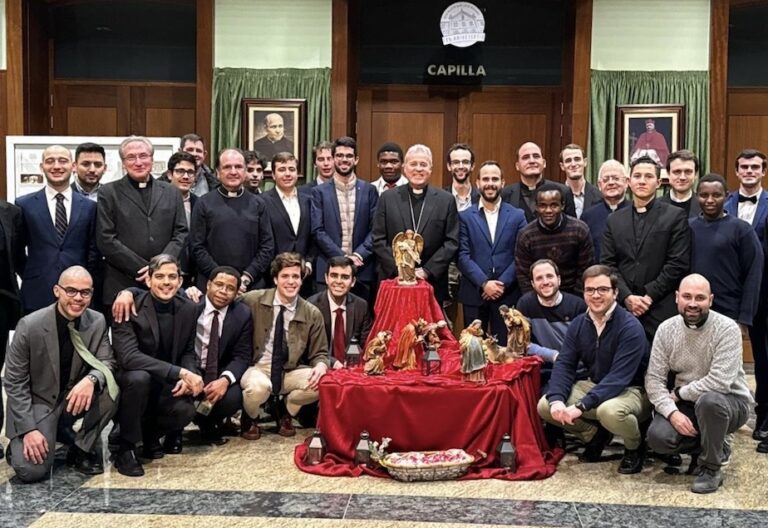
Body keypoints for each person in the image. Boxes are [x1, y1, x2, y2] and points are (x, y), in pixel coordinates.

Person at [112, 265, 253, 446]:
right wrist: (126, 292)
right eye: (219, 285)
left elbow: (242, 356)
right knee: (174, 399)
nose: (223, 291)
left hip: (215, 372)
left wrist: (225, 380)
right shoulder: (190, 301)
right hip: (184, 367)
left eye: (230, 288)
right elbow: (157, 289)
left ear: (237, 293)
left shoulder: (242, 313)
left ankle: (206, 422)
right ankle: (164, 432)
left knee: (233, 397)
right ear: (208, 285)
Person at [4, 266, 118, 482]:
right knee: (31, 471)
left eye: (85, 292)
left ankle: (81, 447)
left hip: (72, 399)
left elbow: (107, 361)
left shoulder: (97, 321)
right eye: (71, 291)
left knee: (111, 388)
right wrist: (28, 430)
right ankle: (21, 440)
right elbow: (14, 382)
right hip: (38, 402)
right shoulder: (30, 325)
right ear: (57, 291)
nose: (78, 298)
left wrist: (91, 379)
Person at [538, 265, 652, 474]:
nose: (596, 295)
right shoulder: (579, 324)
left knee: (609, 412)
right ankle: (595, 435)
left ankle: (635, 447)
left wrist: (581, 406)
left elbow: (619, 378)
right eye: (590, 290)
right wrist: (557, 400)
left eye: (603, 289)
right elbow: (565, 364)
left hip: (632, 390)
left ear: (615, 293)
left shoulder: (630, 327)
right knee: (546, 405)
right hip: (596, 385)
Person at [645, 274, 752, 493]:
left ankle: (711, 468)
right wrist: (672, 413)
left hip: (729, 402)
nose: (693, 303)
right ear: (677, 298)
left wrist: (679, 393)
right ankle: (712, 445)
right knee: (658, 438)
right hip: (688, 402)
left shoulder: (727, 329)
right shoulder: (666, 329)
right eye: (687, 296)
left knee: (709, 402)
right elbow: (653, 379)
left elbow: (719, 382)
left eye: (700, 298)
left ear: (710, 300)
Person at [111, 254, 203, 477]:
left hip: (165, 384)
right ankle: (126, 447)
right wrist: (178, 372)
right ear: (148, 279)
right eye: (160, 276)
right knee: (139, 378)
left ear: (180, 281)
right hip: (132, 384)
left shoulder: (189, 309)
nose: (166, 282)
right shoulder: (128, 306)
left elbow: (188, 351)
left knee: (187, 409)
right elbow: (129, 357)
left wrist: (189, 375)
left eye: (172, 277)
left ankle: (149, 435)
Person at [239, 253, 329, 439]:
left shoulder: (312, 313)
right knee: (259, 387)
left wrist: (321, 365)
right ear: (275, 279)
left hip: (288, 370)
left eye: (295, 276)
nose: (291, 282)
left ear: (302, 280)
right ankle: (250, 417)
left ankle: (285, 410)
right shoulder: (253, 300)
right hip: (257, 367)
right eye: (285, 276)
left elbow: (320, 352)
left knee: (324, 382)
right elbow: (226, 303)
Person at [601, 155, 691, 340]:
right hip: (623, 307)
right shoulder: (614, 219)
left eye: (648, 176)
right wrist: (627, 297)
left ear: (658, 183)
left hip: (660, 307)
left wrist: (649, 297)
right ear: (629, 181)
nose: (642, 181)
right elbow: (608, 264)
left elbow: (677, 263)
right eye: (637, 176)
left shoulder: (675, 216)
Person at [96, 136, 188, 306]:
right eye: (131, 157)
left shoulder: (172, 192)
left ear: (152, 160)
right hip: (123, 282)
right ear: (123, 163)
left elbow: (181, 232)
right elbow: (106, 239)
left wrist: (160, 267)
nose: (138, 162)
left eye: (143, 156)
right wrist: (145, 269)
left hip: (165, 283)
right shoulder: (108, 192)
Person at [16, 144, 99, 313]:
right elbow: (16, 250)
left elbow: (93, 251)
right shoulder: (24, 204)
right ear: (42, 167)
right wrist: (34, 274)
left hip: (78, 294)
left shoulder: (90, 207)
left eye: (62, 161)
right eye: (50, 161)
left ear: (73, 166)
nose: (56, 166)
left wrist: (83, 280)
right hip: (37, 290)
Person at [372, 144, 459, 303]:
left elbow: (451, 242)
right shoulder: (387, 198)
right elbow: (378, 239)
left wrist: (427, 271)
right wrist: (401, 269)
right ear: (404, 168)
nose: (418, 169)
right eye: (413, 164)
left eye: (423, 164)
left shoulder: (446, 200)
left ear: (430, 169)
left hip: (431, 282)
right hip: (394, 280)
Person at [723, 148, 768, 444]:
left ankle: (764, 414)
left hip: (765, 292)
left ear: (763, 171)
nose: (749, 171)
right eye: (744, 167)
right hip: (728, 292)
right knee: (722, 354)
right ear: (737, 171)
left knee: (764, 356)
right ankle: (724, 415)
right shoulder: (722, 202)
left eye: (755, 167)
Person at [458, 160, 527, 345]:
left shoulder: (518, 216)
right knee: (473, 350)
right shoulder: (464, 217)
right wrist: (484, 283)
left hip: (507, 294)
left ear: (502, 183)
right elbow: (462, 256)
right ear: (478, 183)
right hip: (474, 293)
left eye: (495, 179)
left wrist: (501, 284)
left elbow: (522, 254)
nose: (490, 183)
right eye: (486, 179)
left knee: (506, 350)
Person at [189, 148, 274, 291]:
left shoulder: (258, 204)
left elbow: (267, 246)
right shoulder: (203, 203)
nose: (233, 172)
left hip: (250, 285)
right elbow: (197, 247)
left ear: (245, 171)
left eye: (238, 167)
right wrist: (221, 279)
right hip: (213, 283)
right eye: (227, 167)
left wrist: (246, 278)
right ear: (218, 172)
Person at [690, 173, 763, 328]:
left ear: (727, 196)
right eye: (704, 195)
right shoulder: (688, 227)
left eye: (716, 195)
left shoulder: (742, 229)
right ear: (697, 197)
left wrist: (745, 318)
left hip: (730, 313)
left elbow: (753, 274)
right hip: (693, 310)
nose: (710, 200)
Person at [311, 136, 378, 302]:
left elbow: (376, 229)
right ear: (333, 159)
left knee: (360, 315)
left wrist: (359, 255)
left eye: (349, 156)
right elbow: (317, 231)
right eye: (339, 155)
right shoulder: (319, 192)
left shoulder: (370, 190)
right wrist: (343, 258)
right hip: (328, 268)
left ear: (356, 159)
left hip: (362, 270)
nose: (344, 160)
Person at [515, 183, 594, 295]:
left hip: (574, 295)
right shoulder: (526, 235)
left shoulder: (579, 230)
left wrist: (573, 301)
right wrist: (536, 301)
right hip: (538, 296)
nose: (548, 210)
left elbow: (585, 270)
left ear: (562, 206)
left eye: (554, 205)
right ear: (536, 207)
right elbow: (523, 277)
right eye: (543, 206)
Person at [261, 152, 316, 295]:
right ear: (273, 175)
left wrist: (308, 263)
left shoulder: (309, 200)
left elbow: (314, 234)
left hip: (304, 277)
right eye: (282, 169)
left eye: (291, 169)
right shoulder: (262, 201)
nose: (287, 174)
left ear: (297, 173)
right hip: (273, 277)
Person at [516, 259, 587, 364]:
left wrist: (564, 360)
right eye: (539, 278)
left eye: (549, 276)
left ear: (559, 279)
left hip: (573, 366)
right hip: (540, 366)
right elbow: (521, 344)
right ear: (533, 284)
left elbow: (585, 344)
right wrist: (553, 355)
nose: (545, 282)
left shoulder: (577, 305)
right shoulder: (525, 304)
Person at [307, 256, 372, 369]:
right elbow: (310, 348)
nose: (338, 281)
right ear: (326, 278)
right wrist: (334, 363)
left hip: (352, 368)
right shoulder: (312, 306)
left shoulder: (361, 306)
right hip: (322, 366)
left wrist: (353, 362)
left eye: (345, 277)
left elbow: (365, 344)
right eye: (334, 276)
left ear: (353, 282)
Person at [501, 142, 576, 221]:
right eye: (525, 157)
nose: (532, 161)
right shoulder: (505, 194)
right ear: (517, 166)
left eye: (536, 156)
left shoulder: (563, 191)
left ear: (544, 163)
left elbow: (572, 226)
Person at [581, 160, 630, 262]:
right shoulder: (588, 217)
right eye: (606, 179)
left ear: (626, 182)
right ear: (599, 185)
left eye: (616, 178)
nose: (611, 183)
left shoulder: (636, 211)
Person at [559, 144, 602, 218]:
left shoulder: (599, 196)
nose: (573, 164)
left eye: (577, 159)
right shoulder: (556, 196)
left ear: (585, 162)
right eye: (568, 160)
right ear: (562, 166)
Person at [659, 150, 702, 217]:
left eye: (688, 172)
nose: (682, 177)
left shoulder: (704, 207)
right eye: (677, 172)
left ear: (695, 174)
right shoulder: (655, 207)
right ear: (668, 174)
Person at [446, 143, 480, 212]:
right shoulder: (440, 199)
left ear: (472, 166)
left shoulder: (482, 198)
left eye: (465, 162)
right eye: (456, 162)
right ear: (449, 166)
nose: (461, 166)